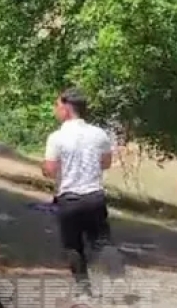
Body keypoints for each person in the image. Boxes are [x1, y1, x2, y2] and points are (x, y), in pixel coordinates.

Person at [42, 87, 125, 296]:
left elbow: (50, 171)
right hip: (95, 196)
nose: (55, 110)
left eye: (57, 105)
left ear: (67, 108)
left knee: (73, 246)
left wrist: (46, 167)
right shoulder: (99, 134)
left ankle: (83, 289)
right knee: (101, 241)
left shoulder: (57, 137)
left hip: (69, 199)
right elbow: (105, 163)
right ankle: (116, 275)